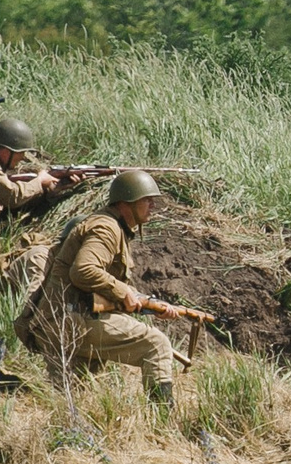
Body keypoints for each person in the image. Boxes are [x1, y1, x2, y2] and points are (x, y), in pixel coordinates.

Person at [12, 169, 210, 408]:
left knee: (70, 402)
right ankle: (163, 417)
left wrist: (149, 305)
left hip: (60, 321)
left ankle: (7, 391)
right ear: (127, 202)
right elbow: (83, 270)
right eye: (147, 200)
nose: (153, 205)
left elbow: (101, 284)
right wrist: (124, 292)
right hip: (71, 320)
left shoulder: (111, 226)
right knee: (156, 345)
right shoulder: (106, 228)